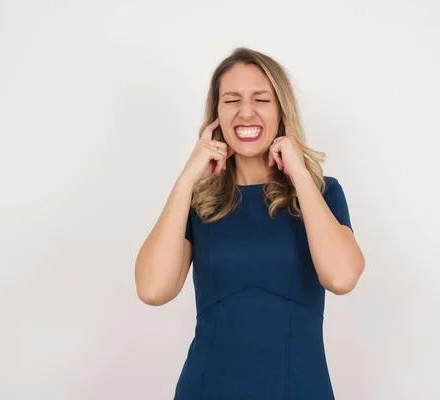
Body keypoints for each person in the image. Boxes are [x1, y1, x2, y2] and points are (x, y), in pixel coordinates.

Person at [134, 47, 365, 400]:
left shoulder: (321, 192)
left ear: (281, 111)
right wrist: (185, 182)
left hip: (298, 389)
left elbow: (342, 277)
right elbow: (153, 290)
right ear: (216, 114)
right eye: (231, 100)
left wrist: (299, 174)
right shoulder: (199, 203)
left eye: (261, 99)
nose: (246, 112)